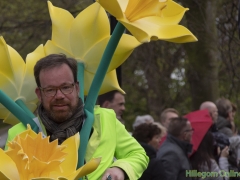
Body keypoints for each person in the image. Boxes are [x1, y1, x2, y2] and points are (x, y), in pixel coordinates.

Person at [6, 54, 148, 180]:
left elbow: (137, 154)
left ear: (77, 88)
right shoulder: (19, 134)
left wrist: (120, 169)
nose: (59, 96)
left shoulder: (106, 119)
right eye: (50, 90)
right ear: (39, 94)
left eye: (66, 87)